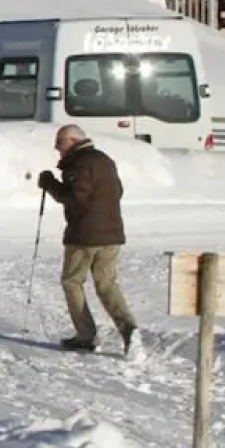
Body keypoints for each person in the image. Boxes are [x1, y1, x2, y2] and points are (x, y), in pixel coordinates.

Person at [38, 125, 138, 354]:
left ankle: (85, 335)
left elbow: (75, 199)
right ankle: (129, 330)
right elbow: (118, 190)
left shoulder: (80, 163)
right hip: (112, 234)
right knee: (106, 284)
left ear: (73, 141)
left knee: (72, 282)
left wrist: (50, 184)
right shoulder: (104, 160)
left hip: (84, 235)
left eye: (60, 144)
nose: (58, 150)